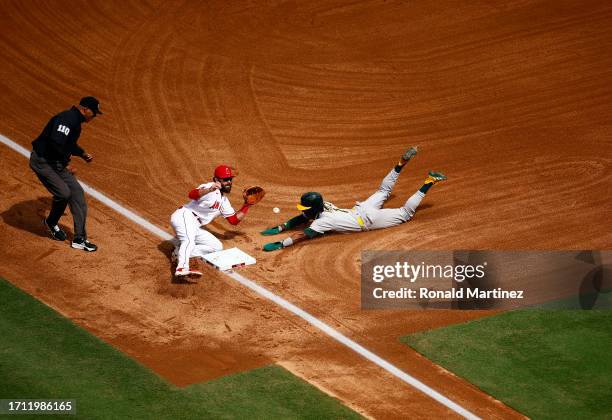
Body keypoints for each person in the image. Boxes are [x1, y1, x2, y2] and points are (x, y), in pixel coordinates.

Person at [261, 147, 447, 251]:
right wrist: (281, 227)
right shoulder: (323, 206)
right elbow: (302, 218)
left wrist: (280, 244)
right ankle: (399, 165)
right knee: (383, 191)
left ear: (312, 209)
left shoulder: (323, 222)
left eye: (305, 208)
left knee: (405, 213)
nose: (303, 211)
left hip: (369, 219)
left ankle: (430, 181)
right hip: (361, 209)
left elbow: (301, 234)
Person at [29, 96, 102, 252]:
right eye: (93, 112)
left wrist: (82, 153)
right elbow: (55, 143)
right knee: (64, 193)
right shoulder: (67, 119)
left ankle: (79, 239)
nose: (94, 116)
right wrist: (67, 163)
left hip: (56, 162)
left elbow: (67, 144)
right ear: (85, 109)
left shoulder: (75, 122)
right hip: (43, 161)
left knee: (77, 194)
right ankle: (51, 222)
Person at [170, 165, 254, 279]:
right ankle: (181, 268)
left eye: (230, 179)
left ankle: (179, 252)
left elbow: (234, 220)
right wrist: (210, 189)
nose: (229, 182)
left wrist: (246, 205)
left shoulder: (224, 201)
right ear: (216, 180)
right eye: (225, 180)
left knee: (216, 247)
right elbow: (192, 194)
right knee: (188, 241)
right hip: (184, 216)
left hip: (194, 226)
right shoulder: (209, 187)